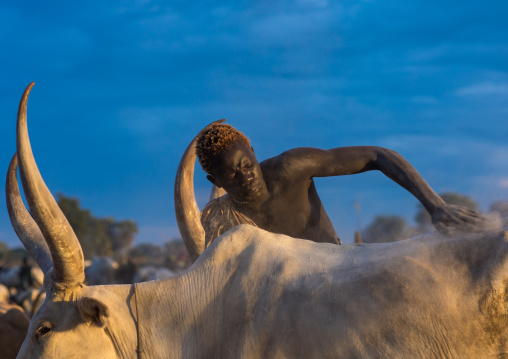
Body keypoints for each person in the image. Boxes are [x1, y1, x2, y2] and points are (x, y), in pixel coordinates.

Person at [196, 121, 485, 248]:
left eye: (248, 165)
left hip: (338, 273)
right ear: (215, 181)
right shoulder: (220, 221)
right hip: (280, 309)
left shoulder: (289, 168)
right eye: (233, 175)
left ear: (254, 154)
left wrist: (437, 207)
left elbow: (378, 155)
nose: (246, 177)